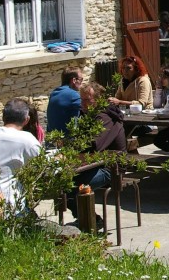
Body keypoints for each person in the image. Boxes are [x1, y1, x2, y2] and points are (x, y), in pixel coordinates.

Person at [66, 82, 127, 222]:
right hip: (93, 164)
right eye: (82, 99)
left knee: (72, 187)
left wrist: (72, 147)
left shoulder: (104, 117)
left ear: (99, 100)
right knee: (63, 184)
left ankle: (91, 221)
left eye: (87, 100)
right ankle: (86, 219)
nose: (83, 103)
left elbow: (93, 145)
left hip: (111, 168)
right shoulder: (86, 115)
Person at [46, 66, 83, 133]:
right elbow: (87, 110)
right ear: (74, 80)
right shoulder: (73, 95)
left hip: (52, 138)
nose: (81, 83)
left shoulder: (54, 93)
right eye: (81, 79)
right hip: (66, 140)